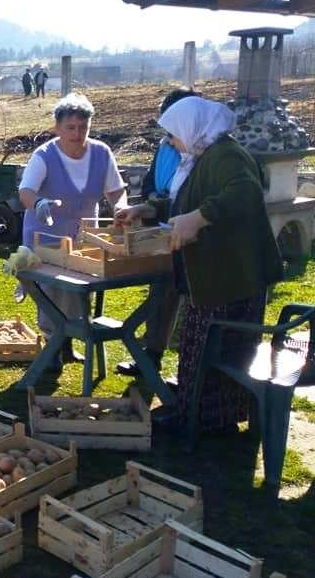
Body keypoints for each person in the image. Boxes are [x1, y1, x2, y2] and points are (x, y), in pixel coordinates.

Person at [115, 96, 282, 434]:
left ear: (193, 128)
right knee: (200, 345)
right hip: (215, 274)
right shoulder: (201, 158)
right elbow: (185, 201)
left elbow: (245, 194)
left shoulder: (227, 156)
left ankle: (204, 419)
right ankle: (198, 412)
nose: (170, 142)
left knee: (216, 347)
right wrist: (149, 209)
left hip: (233, 276)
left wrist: (201, 217)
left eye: (173, 134)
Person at [18, 93, 127, 369]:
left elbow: (115, 190)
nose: (77, 134)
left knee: (79, 291)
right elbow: (26, 191)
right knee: (52, 291)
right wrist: (39, 203)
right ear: (57, 128)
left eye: (83, 127)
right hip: (46, 239)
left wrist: (121, 209)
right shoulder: (44, 155)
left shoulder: (101, 153)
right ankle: (53, 346)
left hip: (83, 238)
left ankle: (66, 344)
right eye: (71, 127)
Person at [116, 88, 199, 378]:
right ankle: (150, 356)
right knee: (162, 291)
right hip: (162, 224)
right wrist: (151, 202)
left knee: (192, 305)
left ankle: (187, 369)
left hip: (192, 239)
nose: (165, 130)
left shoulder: (199, 152)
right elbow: (152, 181)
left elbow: (195, 199)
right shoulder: (166, 145)